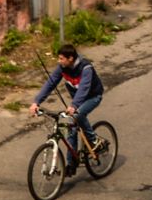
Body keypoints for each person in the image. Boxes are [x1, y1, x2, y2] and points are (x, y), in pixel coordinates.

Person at [31, 44, 104, 174]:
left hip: (93, 97)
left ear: (70, 58)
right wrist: (36, 102)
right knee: (71, 128)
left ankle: (94, 140)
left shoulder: (86, 68)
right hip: (78, 100)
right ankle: (72, 163)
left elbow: (84, 89)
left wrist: (74, 106)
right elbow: (50, 83)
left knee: (77, 115)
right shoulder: (62, 68)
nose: (59, 61)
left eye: (61, 58)